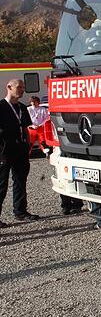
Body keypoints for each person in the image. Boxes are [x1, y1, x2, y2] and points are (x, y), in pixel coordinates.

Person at [0, 79, 40, 223]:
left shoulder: (23, 108)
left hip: (21, 151)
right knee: (1, 185)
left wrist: (27, 146)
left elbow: (26, 129)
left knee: (20, 181)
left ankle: (20, 211)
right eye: (19, 87)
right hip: (4, 152)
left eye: (23, 87)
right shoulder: (1, 107)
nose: (22, 90)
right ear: (9, 87)